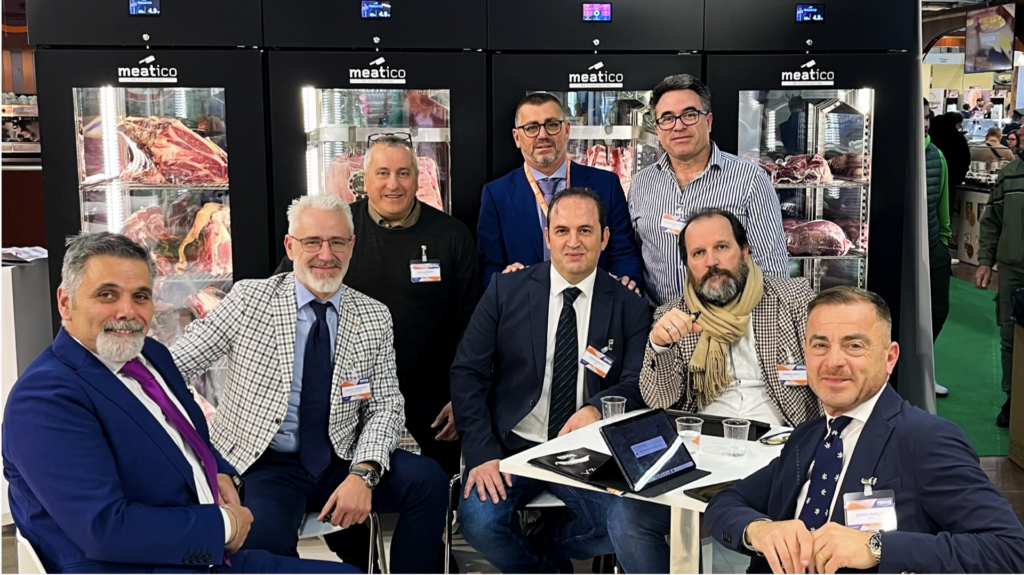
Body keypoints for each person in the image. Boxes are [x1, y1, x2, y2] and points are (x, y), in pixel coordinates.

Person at [1, 232, 358, 574]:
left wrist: (217, 469)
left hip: (194, 555)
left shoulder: (150, 355)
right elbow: (105, 529)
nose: (127, 311)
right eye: (107, 295)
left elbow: (185, 433)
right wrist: (224, 526)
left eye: (140, 296)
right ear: (66, 303)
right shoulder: (45, 398)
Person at [171, 196, 448, 574]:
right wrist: (203, 453)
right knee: (262, 547)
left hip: (342, 457)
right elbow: (173, 371)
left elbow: (385, 405)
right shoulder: (250, 300)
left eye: (337, 242)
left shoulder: (373, 315)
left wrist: (363, 472)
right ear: (290, 246)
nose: (326, 254)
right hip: (265, 463)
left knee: (429, 481)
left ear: (352, 245)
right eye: (312, 242)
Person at [705, 286, 1024, 574]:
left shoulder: (925, 439)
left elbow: (1009, 550)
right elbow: (725, 502)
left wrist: (877, 547)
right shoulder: (807, 437)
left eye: (854, 345)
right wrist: (760, 530)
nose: (833, 361)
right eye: (820, 345)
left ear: (889, 358)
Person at [605, 209, 822, 574]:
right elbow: (658, 400)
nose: (711, 262)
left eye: (721, 247)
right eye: (698, 253)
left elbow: (827, 379)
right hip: (703, 457)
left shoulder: (793, 300)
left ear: (745, 251)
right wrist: (658, 346)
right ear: (688, 265)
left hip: (781, 457)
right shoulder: (674, 315)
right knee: (627, 519)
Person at [451, 187, 652, 573]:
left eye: (585, 230)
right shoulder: (505, 291)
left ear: (604, 238)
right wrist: (481, 452)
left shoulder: (630, 305)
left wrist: (596, 409)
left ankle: (547, 539)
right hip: (511, 446)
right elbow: (467, 373)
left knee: (626, 526)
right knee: (479, 523)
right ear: (547, 237)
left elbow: (637, 381)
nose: (573, 242)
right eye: (562, 231)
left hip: (586, 450)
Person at [273, 136, 482, 480]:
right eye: (382, 173)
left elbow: (471, 326)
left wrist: (463, 398)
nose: (393, 184)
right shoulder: (337, 231)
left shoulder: (452, 236)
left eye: (403, 173)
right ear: (364, 179)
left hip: (433, 399)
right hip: (349, 394)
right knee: (346, 486)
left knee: (434, 486)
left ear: (417, 178)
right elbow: (283, 294)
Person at [629, 74, 789, 309]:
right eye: (667, 118)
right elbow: (633, 255)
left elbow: (772, 271)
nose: (678, 126)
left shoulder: (750, 179)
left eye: (689, 115)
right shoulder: (641, 183)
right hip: (659, 322)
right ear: (657, 129)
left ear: (709, 121)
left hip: (728, 322)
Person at [477, 92, 643, 293]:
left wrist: (625, 282)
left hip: (596, 303)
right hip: (526, 305)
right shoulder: (497, 195)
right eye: (531, 128)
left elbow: (625, 253)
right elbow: (489, 267)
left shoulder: (607, 185)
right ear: (517, 137)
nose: (543, 135)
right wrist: (505, 279)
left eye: (552, 125)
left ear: (566, 130)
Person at [976, 154, 1024, 428]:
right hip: (1013, 271)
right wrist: (985, 260)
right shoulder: (1010, 173)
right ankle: (1013, 397)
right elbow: (992, 220)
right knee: (1010, 337)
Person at [924, 100, 952, 398]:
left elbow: (942, 200)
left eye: (927, 117)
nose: (924, 124)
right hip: (902, 250)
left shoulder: (937, 155)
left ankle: (924, 372)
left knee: (938, 309)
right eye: (919, 117)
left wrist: (944, 240)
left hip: (933, 246)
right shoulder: (889, 150)